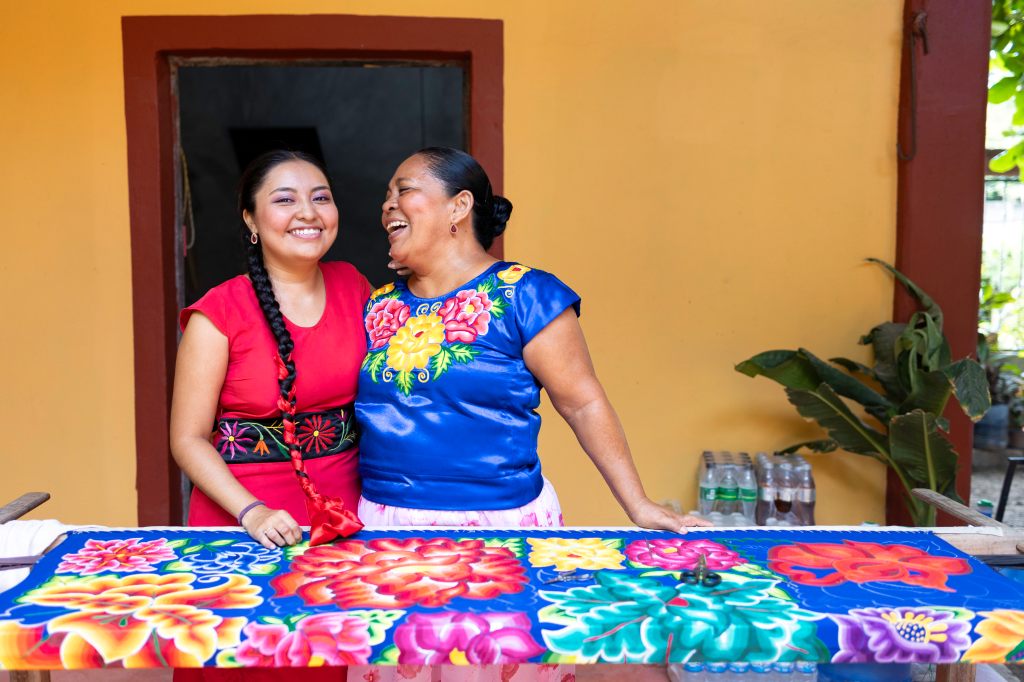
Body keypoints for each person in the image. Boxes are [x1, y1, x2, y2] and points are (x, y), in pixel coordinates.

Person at [357, 146, 710, 531]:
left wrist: (639, 505)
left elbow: (583, 405)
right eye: (386, 196)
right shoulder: (379, 303)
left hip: (499, 523)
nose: (387, 206)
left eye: (403, 190)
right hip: (383, 521)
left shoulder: (526, 295)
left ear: (458, 206)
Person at [170, 149, 367, 679]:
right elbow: (187, 438)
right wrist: (250, 511)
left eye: (320, 197)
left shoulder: (356, 286)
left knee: (331, 655)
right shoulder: (219, 312)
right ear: (252, 222)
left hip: (341, 516)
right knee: (241, 657)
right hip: (240, 520)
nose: (308, 212)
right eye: (285, 200)